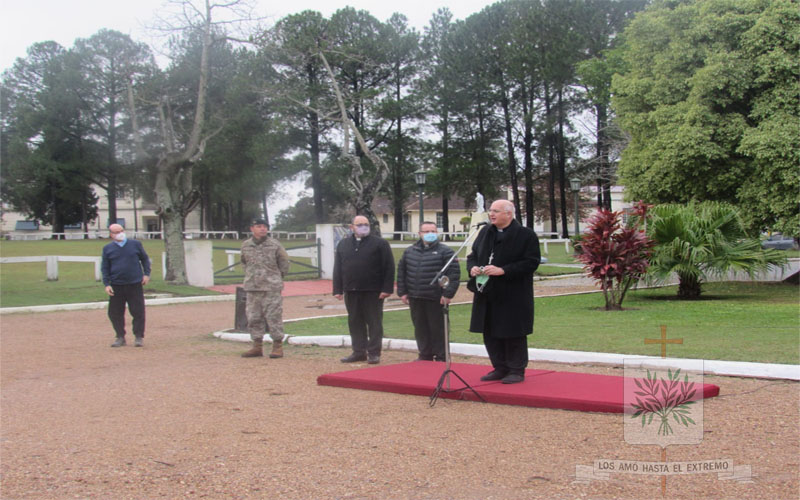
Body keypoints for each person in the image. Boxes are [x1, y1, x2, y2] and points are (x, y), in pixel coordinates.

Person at [467, 200, 540, 384]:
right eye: (491, 210)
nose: (491, 214)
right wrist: (473, 268)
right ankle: (499, 367)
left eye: (496, 211)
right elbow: (472, 255)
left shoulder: (526, 235)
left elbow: (531, 262)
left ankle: (516, 370)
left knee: (512, 330)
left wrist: (504, 270)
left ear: (509, 214)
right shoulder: (485, 232)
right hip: (487, 292)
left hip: (513, 293)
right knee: (489, 330)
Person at [333, 215, 395, 364]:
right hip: (351, 290)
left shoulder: (380, 244)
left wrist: (387, 288)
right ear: (352, 227)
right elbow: (338, 267)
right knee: (354, 321)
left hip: (373, 290)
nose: (363, 227)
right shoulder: (343, 244)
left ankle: (374, 352)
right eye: (359, 224)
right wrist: (338, 288)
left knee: (374, 322)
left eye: (366, 224)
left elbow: (389, 267)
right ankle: (358, 351)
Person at [396, 221, 460, 361]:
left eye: (433, 231)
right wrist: (403, 292)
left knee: (438, 329)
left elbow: (454, 274)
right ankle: (425, 355)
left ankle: (442, 356)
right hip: (416, 296)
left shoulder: (446, 252)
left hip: (436, 298)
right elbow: (402, 272)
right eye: (426, 231)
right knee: (420, 328)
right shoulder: (410, 251)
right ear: (419, 234)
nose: (430, 234)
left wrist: (448, 294)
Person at [240, 218, 291, 359]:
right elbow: (244, 263)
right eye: (259, 226)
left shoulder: (274, 245)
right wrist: (252, 276)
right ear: (252, 229)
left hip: (271, 287)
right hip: (252, 288)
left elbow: (284, 263)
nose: (262, 229)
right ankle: (257, 346)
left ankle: (277, 346)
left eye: (264, 226)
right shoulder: (246, 245)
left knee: (273, 316)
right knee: (253, 317)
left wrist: (276, 277)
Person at [101, 224, 151, 347]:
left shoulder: (135, 245)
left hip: (134, 283)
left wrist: (146, 274)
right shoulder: (107, 248)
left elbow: (144, 259)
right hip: (117, 284)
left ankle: (139, 336)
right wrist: (107, 284)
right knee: (115, 312)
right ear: (111, 234)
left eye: (121, 230)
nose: (120, 233)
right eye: (117, 232)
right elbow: (105, 267)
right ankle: (120, 336)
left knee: (138, 311)